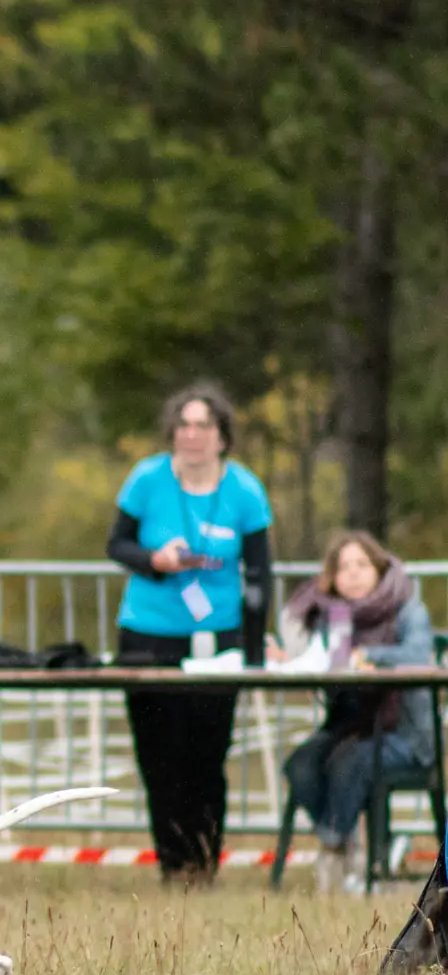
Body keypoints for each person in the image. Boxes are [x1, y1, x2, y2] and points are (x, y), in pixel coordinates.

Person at [105, 383, 273, 884]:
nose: (192, 434)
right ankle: (171, 865)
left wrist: (256, 644)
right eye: (184, 425)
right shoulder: (147, 479)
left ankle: (203, 864)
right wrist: (153, 561)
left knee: (207, 754)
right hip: (148, 634)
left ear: (223, 436)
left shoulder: (244, 490)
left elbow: (260, 574)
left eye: (204, 425)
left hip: (218, 640)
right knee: (159, 755)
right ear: (172, 432)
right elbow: (116, 544)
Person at [270, 532, 437, 894]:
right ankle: (347, 843)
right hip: (348, 725)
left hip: (405, 735)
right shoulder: (331, 616)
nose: (353, 574)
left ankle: (333, 852)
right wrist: (295, 661)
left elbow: (418, 655)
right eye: (343, 567)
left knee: (350, 761)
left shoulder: (407, 607)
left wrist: (370, 658)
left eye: (361, 564)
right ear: (332, 577)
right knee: (301, 764)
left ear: (378, 568)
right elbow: (320, 663)